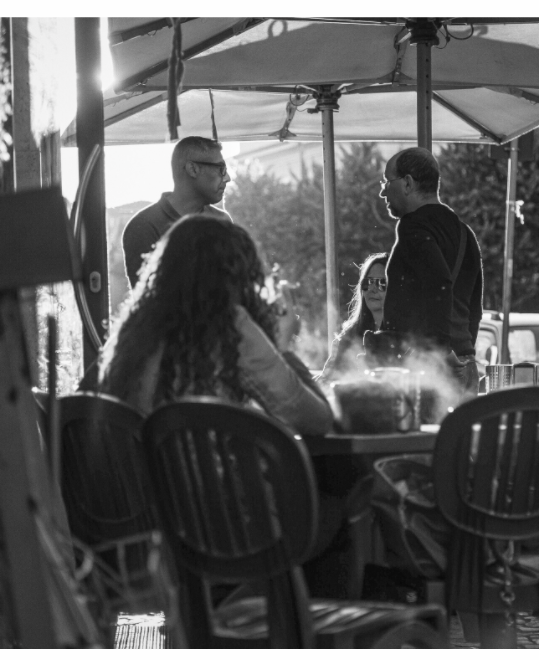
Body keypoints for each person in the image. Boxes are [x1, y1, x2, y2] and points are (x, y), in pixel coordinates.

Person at [99, 215, 331, 436]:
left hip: (143, 476)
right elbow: (315, 420)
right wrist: (282, 347)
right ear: (236, 277)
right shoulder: (229, 326)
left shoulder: (134, 330)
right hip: (207, 477)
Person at [377, 148, 483, 398]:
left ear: (407, 183)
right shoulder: (465, 233)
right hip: (465, 365)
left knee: (422, 437)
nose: (383, 191)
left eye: (386, 181)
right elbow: (474, 309)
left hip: (430, 368)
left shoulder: (412, 226)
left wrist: (441, 349)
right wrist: (462, 351)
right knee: (458, 437)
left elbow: (439, 282)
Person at [121, 136, 232, 289]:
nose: (228, 178)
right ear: (192, 169)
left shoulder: (222, 220)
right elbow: (149, 301)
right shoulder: (144, 226)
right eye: (221, 169)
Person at [318, 253, 388, 382]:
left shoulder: (406, 337)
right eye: (368, 282)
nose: (372, 289)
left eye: (381, 283)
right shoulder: (348, 337)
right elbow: (326, 380)